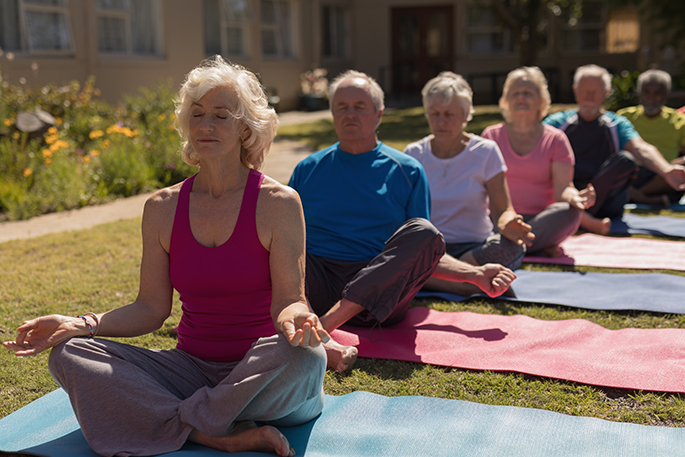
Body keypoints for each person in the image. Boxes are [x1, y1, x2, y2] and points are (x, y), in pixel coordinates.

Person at [3, 56, 329, 457]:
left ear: (246, 128)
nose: (206, 125)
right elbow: (151, 308)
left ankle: (174, 421)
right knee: (71, 352)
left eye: (221, 115)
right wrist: (79, 323)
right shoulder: (162, 206)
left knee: (306, 356)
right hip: (190, 370)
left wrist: (296, 317)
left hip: (262, 373)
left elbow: (287, 300)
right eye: (197, 114)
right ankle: (210, 430)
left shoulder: (278, 202)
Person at [288, 70, 516, 355]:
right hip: (318, 284)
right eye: (341, 107)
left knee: (424, 232)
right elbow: (288, 245)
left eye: (360, 107)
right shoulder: (308, 170)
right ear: (332, 113)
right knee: (285, 239)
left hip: (380, 297)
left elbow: (421, 250)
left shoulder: (406, 170)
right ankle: (320, 330)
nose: (350, 114)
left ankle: (323, 327)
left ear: (379, 114)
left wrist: (476, 274)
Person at [403, 71, 533, 275]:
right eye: (434, 114)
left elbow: (502, 209)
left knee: (511, 247)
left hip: (475, 248)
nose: (441, 121)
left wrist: (509, 222)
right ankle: (465, 277)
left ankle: (446, 274)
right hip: (430, 250)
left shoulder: (486, 151)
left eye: (449, 114)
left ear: (465, 115)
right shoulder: (413, 154)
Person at [543, 64, 685, 234]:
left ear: (606, 93)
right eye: (584, 90)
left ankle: (578, 216)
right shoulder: (558, 123)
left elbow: (640, 147)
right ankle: (583, 218)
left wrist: (666, 170)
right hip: (567, 194)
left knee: (626, 159)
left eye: (595, 91)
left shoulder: (616, 124)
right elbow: (535, 142)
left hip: (605, 201)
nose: (589, 95)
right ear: (575, 90)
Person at [481, 67, 595, 256]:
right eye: (515, 93)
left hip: (541, 218)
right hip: (499, 218)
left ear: (541, 101)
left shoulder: (556, 139)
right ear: (506, 101)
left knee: (570, 213)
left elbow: (563, 188)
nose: (521, 97)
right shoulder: (490, 135)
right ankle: (535, 245)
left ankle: (507, 245)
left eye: (528, 93)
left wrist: (574, 197)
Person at [617, 69, 685, 206]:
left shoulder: (679, 120)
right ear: (639, 94)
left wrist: (669, 168)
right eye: (646, 92)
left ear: (666, 95)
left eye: (657, 93)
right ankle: (645, 199)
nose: (651, 98)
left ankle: (635, 195)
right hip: (631, 174)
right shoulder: (624, 117)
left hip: (664, 178)